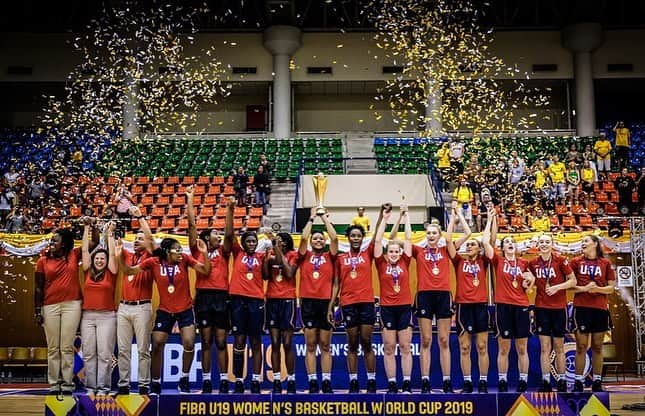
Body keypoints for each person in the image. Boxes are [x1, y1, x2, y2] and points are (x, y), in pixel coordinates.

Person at [116, 237, 211, 395]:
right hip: (165, 309)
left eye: (181, 249)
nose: (181, 252)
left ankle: (184, 379)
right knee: (158, 342)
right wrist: (119, 256)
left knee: (189, 342)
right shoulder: (153, 262)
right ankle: (155, 382)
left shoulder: (185, 259)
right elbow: (128, 271)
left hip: (185, 309)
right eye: (177, 249)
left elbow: (205, 270)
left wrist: (205, 253)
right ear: (168, 251)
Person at [328, 205, 386, 393]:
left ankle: (370, 380)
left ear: (362, 238)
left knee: (367, 342)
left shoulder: (367, 253)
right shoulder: (340, 258)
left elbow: (377, 234)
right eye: (352, 236)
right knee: (352, 343)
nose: (355, 238)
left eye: (358, 236)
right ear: (348, 238)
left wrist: (380, 216)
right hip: (348, 303)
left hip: (366, 303)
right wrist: (331, 305)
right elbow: (336, 283)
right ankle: (353, 380)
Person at [483, 214, 535, 393]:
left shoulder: (524, 263)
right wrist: (490, 220)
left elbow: (530, 282)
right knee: (503, 347)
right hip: (503, 306)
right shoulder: (498, 260)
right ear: (503, 247)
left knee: (522, 347)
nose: (510, 243)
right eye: (507, 242)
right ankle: (503, 381)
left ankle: (523, 380)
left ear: (516, 246)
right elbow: (485, 243)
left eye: (512, 241)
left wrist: (530, 281)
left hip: (521, 306)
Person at [35, 228, 90, 394]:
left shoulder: (74, 254)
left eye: (55, 240)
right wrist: (37, 311)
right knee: (53, 348)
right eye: (51, 240)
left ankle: (67, 383)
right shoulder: (42, 261)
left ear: (64, 243)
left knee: (66, 346)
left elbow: (93, 242)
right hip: (49, 305)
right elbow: (38, 288)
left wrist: (89, 227)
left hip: (72, 305)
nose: (51, 243)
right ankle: (54, 383)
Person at [186, 186, 231, 394]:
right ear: (206, 238)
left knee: (221, 341)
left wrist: (230, 211)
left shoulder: (224, 251)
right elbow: (191, 226)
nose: (218, 235)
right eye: (215, 233)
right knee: (205, 341)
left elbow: (229, 234)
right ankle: (206, 381)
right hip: (203, 298)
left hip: (222, 297)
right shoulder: (197, 250)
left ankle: (223, 380)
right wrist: (190, 200)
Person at [413, 219, 464, 393]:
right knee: (426, 340)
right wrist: (404, 216)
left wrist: (455, 216)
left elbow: (465, 236)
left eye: (434, 233)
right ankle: (425, 381)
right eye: (429, 233)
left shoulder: (446, 250)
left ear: (440, 235)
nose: (431, 235)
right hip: (424, 295)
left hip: (443, 295)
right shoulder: (418, 251)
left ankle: (447, 381)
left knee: (444, 340)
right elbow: (402, 240)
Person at [223, 197, 267, 394]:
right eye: (248, 241)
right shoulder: (237, 253)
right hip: (237, 301)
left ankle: (256, 380)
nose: (251, 243)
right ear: (243, 243)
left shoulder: (261, 256)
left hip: (256, 301)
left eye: (254, 241)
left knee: (256, 341)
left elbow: (267, 274)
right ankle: (239, 379)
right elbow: (230, 234)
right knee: (239, 341)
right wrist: (230, 211)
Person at [447, 204, 489, 393]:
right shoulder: (459, 261)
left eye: (473, 244)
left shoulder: (484, 261)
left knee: (482, 346)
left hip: (481, 306)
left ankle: (482, 382)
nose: (469, 246)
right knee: (464, 347)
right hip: (463, 306)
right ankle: (467, 383)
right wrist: (455, 216)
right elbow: (449, 242)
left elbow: (488, 242)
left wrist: (491, 218)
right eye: (467, 244)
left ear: (479, 249)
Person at [528, 234, 577, 392]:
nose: (544, 244)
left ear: (552, 244)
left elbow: (573, 281)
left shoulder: (560, 260)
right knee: (544, 347)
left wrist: (557, 287)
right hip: (542, 308)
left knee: (559, 347)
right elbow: (528, 280)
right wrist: (528, 284)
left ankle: (562, 380)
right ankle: (546, 381)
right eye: (541, 242)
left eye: (547, 242)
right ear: (538, 244)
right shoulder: (533, 263)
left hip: (559, 309)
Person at [298, 208, 338, 394]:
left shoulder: (330, 256)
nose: (318, 240)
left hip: (325, 304)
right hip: (307, 303)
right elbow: (304, 238)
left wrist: (324, 218)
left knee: (325, 345)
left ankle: (327, 381)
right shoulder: (304, 255)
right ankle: (313, 381)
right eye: (316, 238)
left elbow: (335, 238)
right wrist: (312, 218)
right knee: (311, 345)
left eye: (321, 238)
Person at [374, 205, 413, 393]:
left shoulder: (406, 260)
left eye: (397, 251)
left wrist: (406, 216)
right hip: (387, 308)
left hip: (405, 307)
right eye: (391, 251)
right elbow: (378, 240)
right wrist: (385, 219)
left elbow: (407, 238)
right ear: (386, 253)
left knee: (405, 346)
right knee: (389, 347)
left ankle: (406, 382)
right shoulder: (380, 263)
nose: (395, 254)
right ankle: (391, 383)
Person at [116, 206, 155, 396]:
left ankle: (143, 385)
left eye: (141, 238)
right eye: (136, 238)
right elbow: (113, 247)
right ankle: (123, 384)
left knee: (142, 349)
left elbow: (151, 239)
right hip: (123, 307)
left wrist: (140, 217)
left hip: (143, 307)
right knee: (123, 349)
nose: (139, 240)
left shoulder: (150, 257)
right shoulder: (128, 255)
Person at [571, 235, 616, 392]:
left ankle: (597, 381)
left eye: (586, 241)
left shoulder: (605, 263)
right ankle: (578, 381)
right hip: (581, 308)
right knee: (581, 346)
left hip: (600, 309)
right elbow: (570, 285)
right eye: (582, 242)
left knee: (597, 346)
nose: (583, 243)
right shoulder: (575, 262)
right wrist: (584, 289)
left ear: (595, 244)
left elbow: (611, 288)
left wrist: (596, 289)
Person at [80, 219, 118, 395]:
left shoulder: (111, 273)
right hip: (87, 316)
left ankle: (103, 387)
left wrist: (109, 234)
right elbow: (84, 249)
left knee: (104, 354)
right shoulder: (87, 270)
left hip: (107, 317)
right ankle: (90, 386)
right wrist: (87, 227)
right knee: (88, 354)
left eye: (103, 258)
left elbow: (112, 254)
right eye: (97, 258)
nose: (100, 260)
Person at [263, 232, 298, 394]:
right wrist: (266, 259)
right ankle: (277, 380)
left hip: (287, 301)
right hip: (271, 300)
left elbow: (289, 273)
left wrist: (277, 250)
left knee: (288, 343)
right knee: (275, 343)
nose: (280, 244)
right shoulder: (270, 254)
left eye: (283, 242)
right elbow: (264, 276)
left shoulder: (293, 255)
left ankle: (291, 380)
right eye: (278, 241)